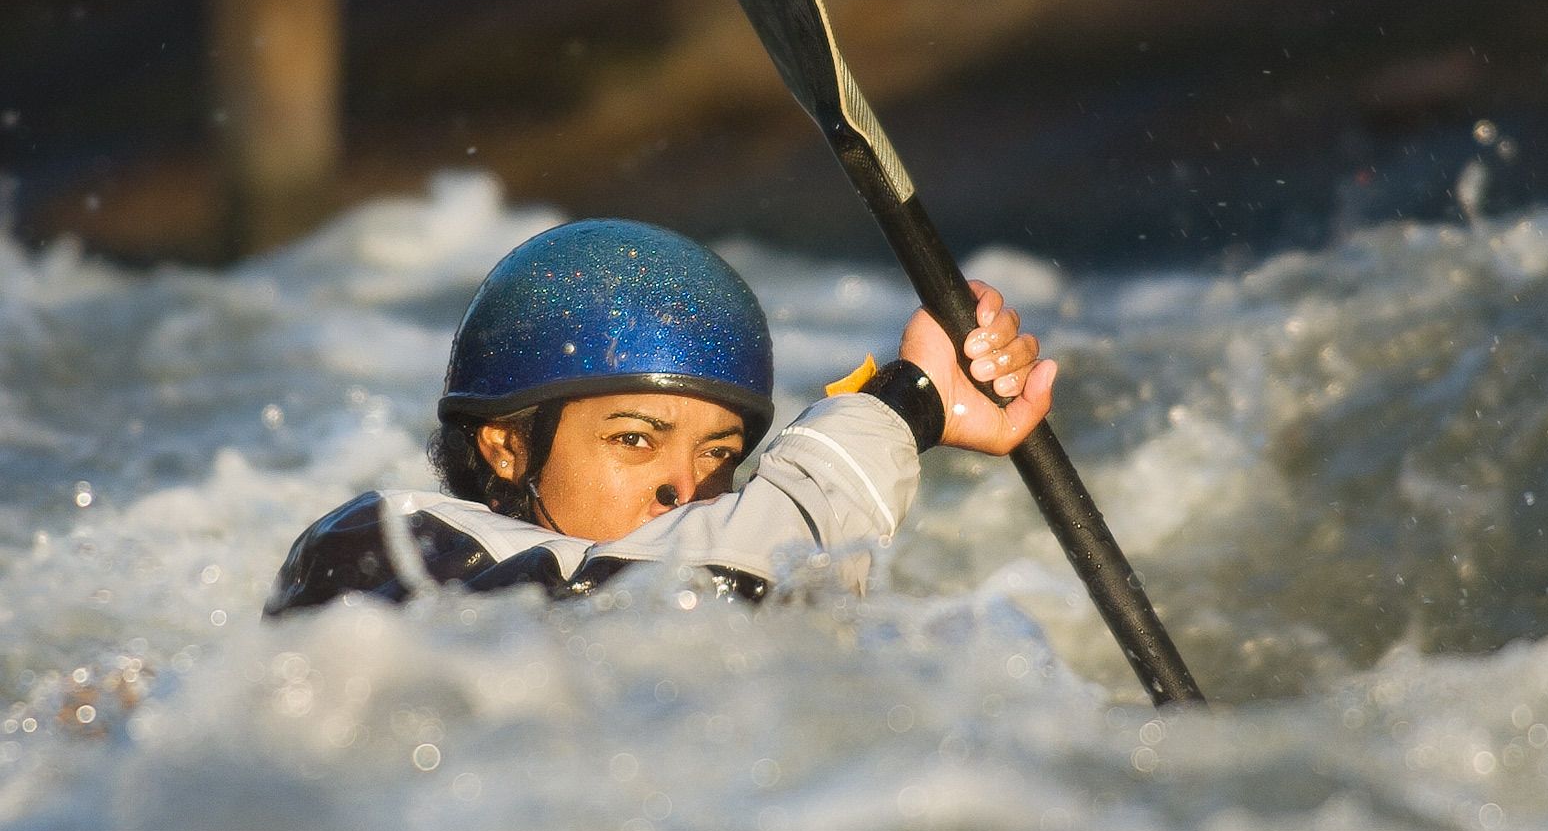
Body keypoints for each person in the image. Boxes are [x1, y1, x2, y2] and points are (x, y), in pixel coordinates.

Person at [264, 218, 1056, 616]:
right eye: (634, 439)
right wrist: (902, 408)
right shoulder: (383, 550)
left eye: (721, 453)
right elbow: (698, 590)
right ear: (507, 447)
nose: (688, 488)